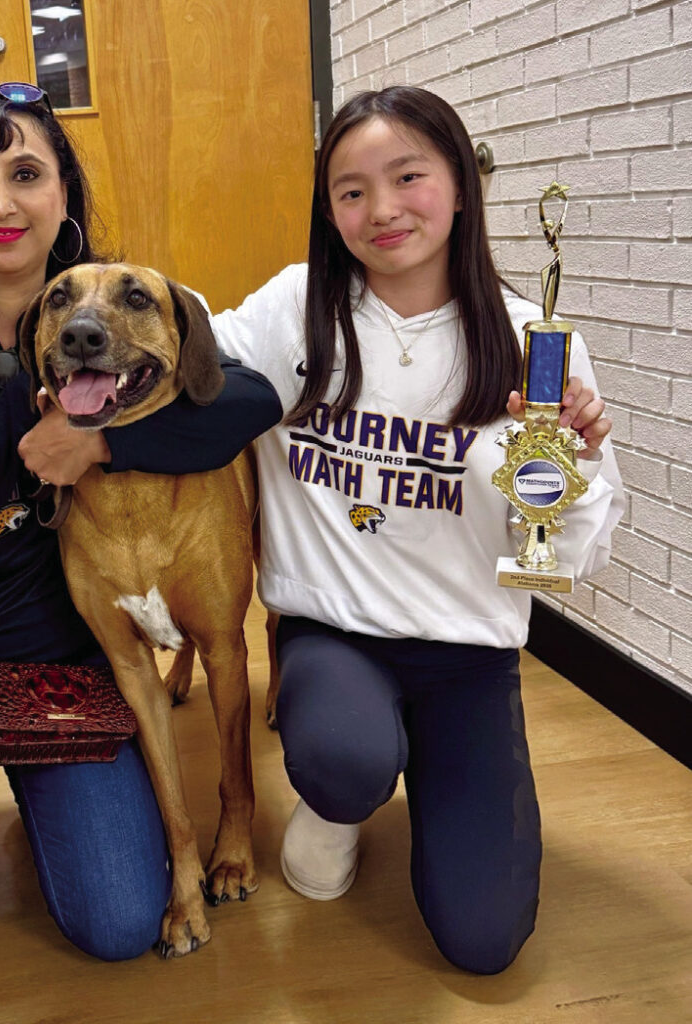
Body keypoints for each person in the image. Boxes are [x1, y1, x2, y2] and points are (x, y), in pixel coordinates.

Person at [0, 82, 281, 959]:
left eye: (26, 172)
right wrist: (35, 401)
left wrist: (99, 446)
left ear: (62, 193)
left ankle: (56, 799)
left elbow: (241, 397)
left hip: (55, 650)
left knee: (116, 923)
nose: (0, 202)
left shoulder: (115, 295)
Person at [209, 86, 624, 975]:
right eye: (350, 190)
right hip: (335, 635)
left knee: (484, 944)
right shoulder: (295, 306)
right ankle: (337, 803)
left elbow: (565, 556)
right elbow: (185, 347)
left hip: (467, 655)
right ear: (328, 209)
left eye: (408, 177)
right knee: (344, 758)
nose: (382, 210)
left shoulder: (531, 341)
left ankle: (424, 773)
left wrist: (575, 472)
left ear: (462, 185)